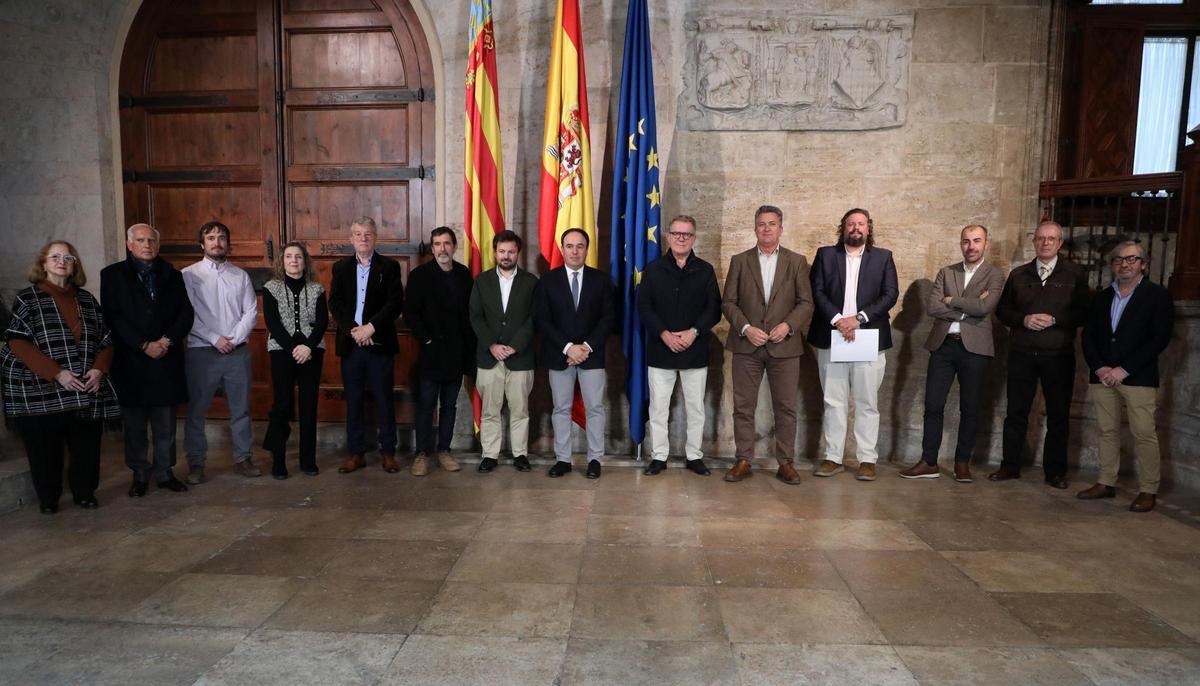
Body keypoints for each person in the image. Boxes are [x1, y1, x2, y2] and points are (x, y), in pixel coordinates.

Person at [0, 241, 119, 513]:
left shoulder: (87, 300)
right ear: (43, 264)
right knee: (44, 448)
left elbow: (107, 339)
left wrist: (99, 369)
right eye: (55, 256)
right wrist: (57, 373)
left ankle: (85, 492)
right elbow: (17, 342)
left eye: (68, 257)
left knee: (86, 445)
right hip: (42, 387)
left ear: (74, 264)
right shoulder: (27, 298)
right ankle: (49, 498)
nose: (62, 261)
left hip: (85, 384)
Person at [900, 224, 1005, 483]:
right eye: (966, 241)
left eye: (976, 241)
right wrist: (964, 308)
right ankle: (929, 461)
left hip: (975, 349)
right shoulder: (947, 272)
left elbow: (984, 307)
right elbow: (933, 307)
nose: (971, 246)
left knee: (970, 407)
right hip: (944, 345)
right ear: (961, 244)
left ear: (986, 243)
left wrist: (952, 300)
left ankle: (962, 463)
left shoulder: (995, 275)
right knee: (933, 405)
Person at [991, 221, 1090, 489]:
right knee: (1016, 412)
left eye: (1051, 239)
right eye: (1041, 238)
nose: (1045, 243)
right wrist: (1024, 319)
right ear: (1034, 242)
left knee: (1058, 414)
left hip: (1058, 355)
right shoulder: (1019, 274)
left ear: (1060, 244)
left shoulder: (1074, 275)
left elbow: (1084, 312)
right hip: (1022, 353)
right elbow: (1003, 311)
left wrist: (1055, 319)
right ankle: (1010, 465)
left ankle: (1055, 471)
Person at [1078, 240, 1174, 512]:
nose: (1124, 264)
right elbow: (1089, 337)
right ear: (1112, 265)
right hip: (1103, 377)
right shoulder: (1102, 297)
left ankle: (1148, 489)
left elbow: (1158, 339)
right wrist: (1100, 368)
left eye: (1131, 259)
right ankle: (1106, 482)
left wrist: (1124, 369)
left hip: (1137, 377)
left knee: (1144, 433)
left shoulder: (1157, 296)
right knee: (1107, 431)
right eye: (1119, 260)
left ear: (1143, 264)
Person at [721, 205, 814, 484]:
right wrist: (747, 328)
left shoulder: (797, 261)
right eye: (761, 224)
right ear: (755, 229)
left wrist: (788, 326)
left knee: (785, 406)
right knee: (743, 406)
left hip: (784, 347)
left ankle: (785, 462)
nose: (766, 228)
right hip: (746, 346)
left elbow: (806, 302)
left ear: (781, 229)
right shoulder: (740, 260)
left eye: (772, 224)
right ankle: (743, 459)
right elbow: (728, 302)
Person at [100, 224, 194, 497]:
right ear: (130, 244)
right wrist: (143, 345)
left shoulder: (172, 275)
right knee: (135, 424)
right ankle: (140, 474)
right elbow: (113, 316)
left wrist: (165, 342)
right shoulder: (113, 275)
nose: (147, 244)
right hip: (132, 361)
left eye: (151, 240)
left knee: (165, 422)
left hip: (166, 358)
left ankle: (165, 473)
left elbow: (185, 314)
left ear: (158, 244)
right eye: (140, 240)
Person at [808, 208, 899, 482]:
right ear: (843, 228)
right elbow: (817, 289)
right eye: (851, 224)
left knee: (867, 401)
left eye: (860, 224)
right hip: (832, 335)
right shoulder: (826, 255)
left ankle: (867, 459)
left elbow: (891, 294)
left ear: (868, 229)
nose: (855, 228)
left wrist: (858, 319)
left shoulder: (883, 258)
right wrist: (838, 320)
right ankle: (833, 456)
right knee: (833, 400)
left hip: (868, 336)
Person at [639, 215, 721, 476]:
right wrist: (664, 334)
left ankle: (694, 455)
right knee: (659, 408)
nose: (681, 238)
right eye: (676, 234)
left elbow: (714, 309)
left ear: (694, 238)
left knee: (696, 408)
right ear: (668, 237)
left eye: (687, 234)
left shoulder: (705, 270)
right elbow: (644, 307)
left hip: (694, 350)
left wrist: (694, 332)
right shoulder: (653, 269)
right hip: (660, 349)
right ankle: (659, 456)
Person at [182, 221, 259, 483]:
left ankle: (243, 457)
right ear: (202, 244)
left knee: (241, 408)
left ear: (228, 242)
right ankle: (196, 462)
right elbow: (186, 314)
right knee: (197, 410)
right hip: (202, 350)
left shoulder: (240, 275)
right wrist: (215, 338)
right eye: (211, 238)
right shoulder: (188, 275)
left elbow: (250, 312)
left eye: (222, 237)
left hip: (237, 352)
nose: (217, 242)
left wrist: (233, 340)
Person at [536, 228, 616, 480]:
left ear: (586, 249)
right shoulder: (547, 281)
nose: (574, 251)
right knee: (561, 408)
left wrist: (586, 347)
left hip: (592, 355)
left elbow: (609, 318)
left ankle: (594, 459)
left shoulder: (602, 281)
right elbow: (542, 319)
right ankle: (563, 459)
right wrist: (568, 347)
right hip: (559, 356)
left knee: (595, 408)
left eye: (579, 246)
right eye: (569, 246)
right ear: (562, 249)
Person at [328, 216, 405, 474]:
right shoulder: (340, 268)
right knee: (354, 401)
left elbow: (394, 303)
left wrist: (370, 327)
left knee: (384, 399)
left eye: (368, 234)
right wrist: (354, 331)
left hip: (379, 342)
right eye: (358, 234)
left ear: (375, 237)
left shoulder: (390, 266)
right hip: (351, 345)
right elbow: (335, 305)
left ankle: (388, 453)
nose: (363, 238)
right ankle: (356, 453)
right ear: (351, 238)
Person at [404, 226, 475, 476]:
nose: (442, 249)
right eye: (437, 244)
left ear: (454, 247)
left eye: (447, 243)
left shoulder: (464, 275)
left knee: (450, 405)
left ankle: (444, 450)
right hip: (431, 352)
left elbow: (469, 316)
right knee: (425, 405)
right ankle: (422, 453)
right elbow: (410, 314)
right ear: (432, 248)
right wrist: (427, 340)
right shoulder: (420, 275)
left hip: (456, 352)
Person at [469, 230, 538, 473]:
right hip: (489, 357)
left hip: (520, 357)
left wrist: (515, 345)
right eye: (501, 251)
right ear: (495, 252)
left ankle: (520, 454)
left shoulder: (531, 282)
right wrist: (492, 345)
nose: (506, 256)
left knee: (521, 410)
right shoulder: (482, 280)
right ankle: (490, 454)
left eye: (510, 251)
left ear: (518, 252)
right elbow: (475, 317)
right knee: (490, 410)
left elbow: (533, 318)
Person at [262, 242, 327, 479]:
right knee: (282, 405)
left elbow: (321, 323)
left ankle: (308, 460)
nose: (294, 260)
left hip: (312, 352)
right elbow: (272, 322)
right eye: (289, 256)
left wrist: (307, 347)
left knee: (309, 406)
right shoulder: (272, 288)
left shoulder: (317, 289)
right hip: (281, 351)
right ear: (282, 261)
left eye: (298, 256)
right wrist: (294, 348)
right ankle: (278, 460)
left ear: (304, 261)